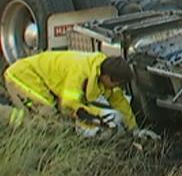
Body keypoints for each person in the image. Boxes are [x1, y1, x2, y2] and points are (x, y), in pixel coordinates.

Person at [3, 51, 145, 136]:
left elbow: (120, 102)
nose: (118, 88)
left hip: (42, 82)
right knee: (47, 120)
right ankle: (4, 114)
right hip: (23, 76)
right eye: (118, 84)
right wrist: (99, 114)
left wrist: (134, 129)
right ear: (108, 78)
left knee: (58, 121)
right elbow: (68, 105)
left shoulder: (103, 72)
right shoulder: (81, 73)